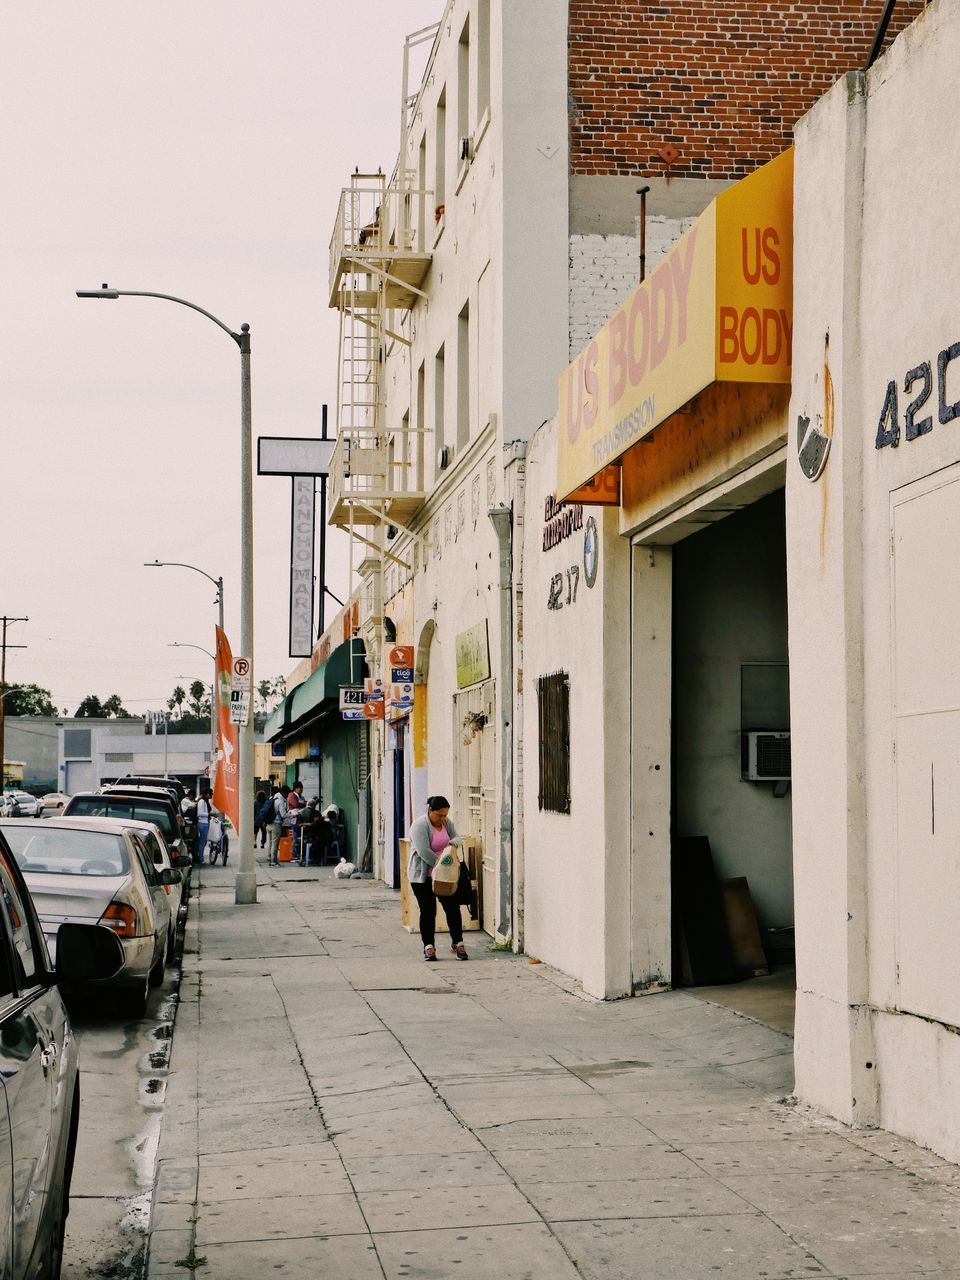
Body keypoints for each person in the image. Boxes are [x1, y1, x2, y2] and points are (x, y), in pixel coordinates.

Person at [407, 795, 468, 961]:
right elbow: (423, 851)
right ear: (430, 811)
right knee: (428, 911)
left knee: (452, 908)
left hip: (445, 877)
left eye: (445, 815)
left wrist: (452, 844)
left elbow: (457, 837)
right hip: (423, 877)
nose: (442, 818)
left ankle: (458, 942)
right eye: (439, 815)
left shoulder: (446, 823)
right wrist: (441, 866)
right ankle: (429, 947)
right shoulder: (419, 825)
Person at [266, 785, 289, 866]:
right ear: (284, 793)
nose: (287, 796)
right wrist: (291, 814)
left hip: (268, 823)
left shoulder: (271, 798)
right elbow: (283, 815)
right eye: (287, 794)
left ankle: (269, 857)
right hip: (276, 824)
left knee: (270, 843)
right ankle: (274, 862)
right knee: (275, 844)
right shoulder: (280, 801)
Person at [196, 787, 217, 865]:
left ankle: (200, 858)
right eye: (211, 794)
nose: (211, 796)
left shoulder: (205, 801)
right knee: (202, 842)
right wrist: (210, 814)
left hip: (205, 823)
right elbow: (200, 813)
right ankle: (201, 859)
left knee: (203, 842)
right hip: (202, 823)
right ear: (207, 794)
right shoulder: (202, 801)